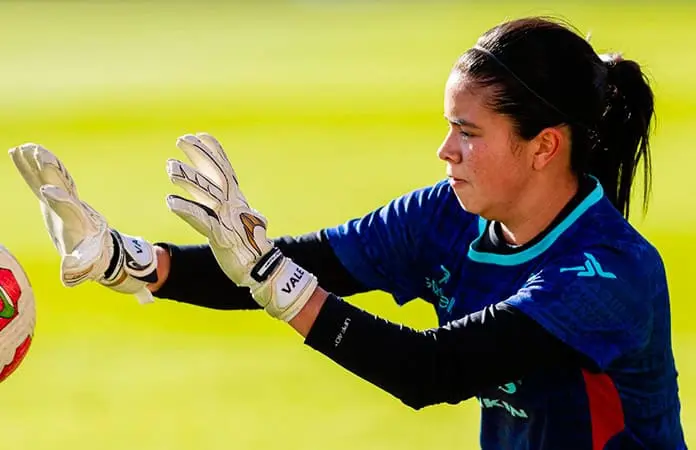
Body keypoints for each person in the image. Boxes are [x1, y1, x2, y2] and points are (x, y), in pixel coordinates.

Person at [10, 16, 686, 450]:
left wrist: (280, 285)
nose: (445, 151)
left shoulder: (608, 273)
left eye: (469, 132)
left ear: (544, 146)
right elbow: (302, 264)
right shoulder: (447, 215)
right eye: (448, 127)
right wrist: (131, 262)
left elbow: (435, 370)